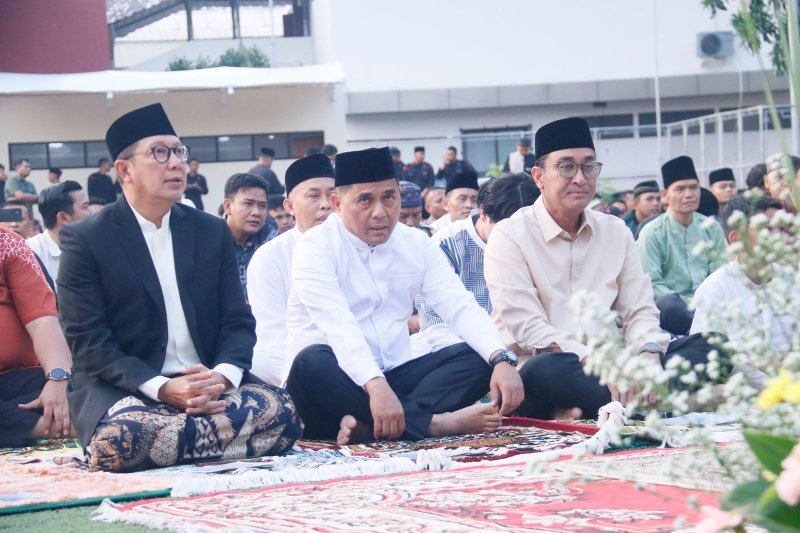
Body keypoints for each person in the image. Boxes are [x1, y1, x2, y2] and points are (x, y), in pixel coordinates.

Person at [57, 103, 301, 472]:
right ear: (124, 170)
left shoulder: (209, 231)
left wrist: (220, 377)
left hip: (208, 385)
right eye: (160, 152)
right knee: (124, 436)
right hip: (128, 388)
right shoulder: (86, 239)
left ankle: (180, 440)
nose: (176, 163)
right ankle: (213, 439)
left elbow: (237, 322)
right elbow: (89, 343)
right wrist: (162, 388)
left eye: (179, 151)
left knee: (284, 414)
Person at [283, 147, 523, 444]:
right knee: (312, 360)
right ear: (337, 203)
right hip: (333, 382)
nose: (380, 212)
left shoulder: (415, 243)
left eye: (389, 197)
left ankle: (375, 427)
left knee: (478, 353)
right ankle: (433, 424)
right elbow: (338, 326)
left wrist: (501, 358)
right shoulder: (314, 247)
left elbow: (458, 305)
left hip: (396, 380)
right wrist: (374, 386)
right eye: (365, 200)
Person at [485, 117, 716, 420]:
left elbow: (639, 308)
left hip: (618, 363)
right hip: (558, 365)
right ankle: (644, 400)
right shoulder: (509, 235)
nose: (580, 178)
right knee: (545, 370)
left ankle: (610, 403)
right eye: (567, 167)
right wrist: (601, 364)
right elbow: (528, 328)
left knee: (713, 348)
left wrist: (647, 354)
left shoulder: (615, 230)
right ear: (539, 176)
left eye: (588, 166)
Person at [419, 173, 539, 358]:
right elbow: (434, 324)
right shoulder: (445, 245)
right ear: (482, 212)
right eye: (507, 230)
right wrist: (493, 353)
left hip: (528, 349)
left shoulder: (538, 241)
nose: (516, 240)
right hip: (466, 354)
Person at [248, 153, 336, 386]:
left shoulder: (359, 248)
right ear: (290, 206)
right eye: (314, 196)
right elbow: (273, 336)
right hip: (297, 366)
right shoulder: (270, 257)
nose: (326, 204)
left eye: (332, 195)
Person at [691, 195, 788, 391]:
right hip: (742, 399)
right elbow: (709, 358)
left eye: (779, 228)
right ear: (736, 239)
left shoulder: (792, 280)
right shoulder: (715, 289)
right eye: (766, 229)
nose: (777, 236)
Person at [0, 227, 75, 447]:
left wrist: (58, 378)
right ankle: (51, 427)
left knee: (83, 387)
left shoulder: (7, 244)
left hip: (17, 378)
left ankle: (18, 425)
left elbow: (43, 318)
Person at [637, 156, 727, 335]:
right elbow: (652, 283)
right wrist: (689, 305)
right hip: (671, 311)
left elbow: (720, 273)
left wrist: (705, 302)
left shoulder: (711, 228)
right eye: (680, 189)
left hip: (708, 305)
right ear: (665, 195)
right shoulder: (652, 232)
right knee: (669, 304)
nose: (689, 194)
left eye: (694, 187)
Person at [222, 173, 279, 295]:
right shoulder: (210, 240)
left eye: (262, 206)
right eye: (248, 204)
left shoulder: (273, 241)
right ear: (227, 206)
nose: (256, 212)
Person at [26, 181, 89, 284]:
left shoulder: (97, 245)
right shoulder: (30, 253)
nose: (91, 213)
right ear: (63, 218)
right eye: (85, 207)